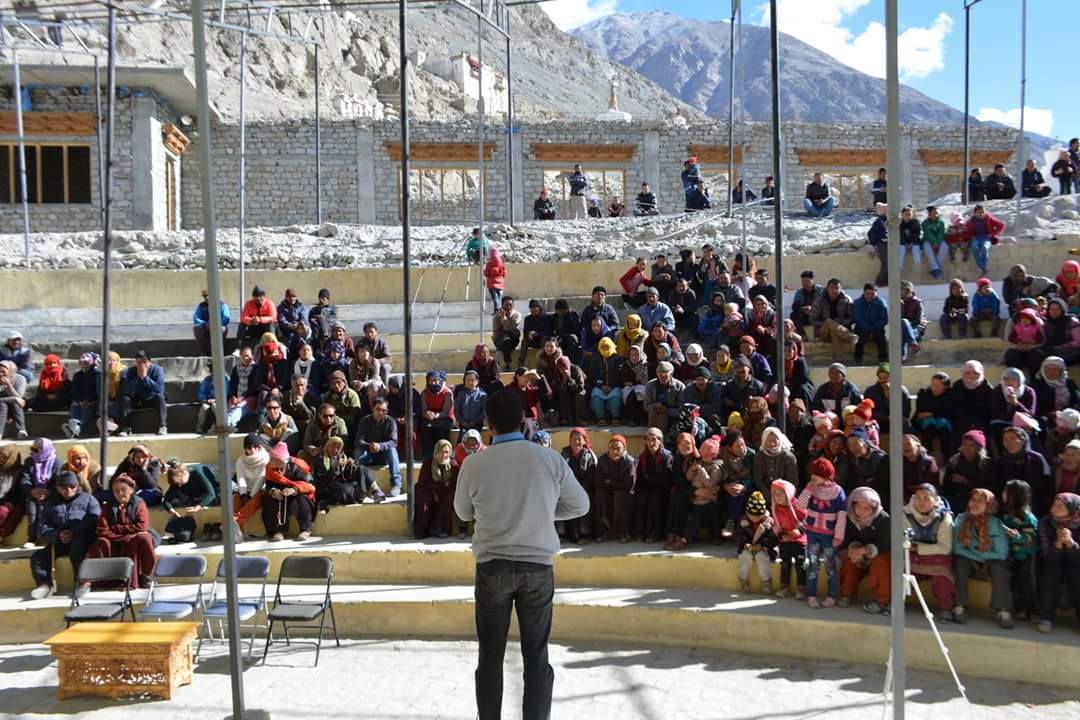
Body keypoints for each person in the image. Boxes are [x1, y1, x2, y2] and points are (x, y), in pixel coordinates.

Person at [453, 389, 589, 720]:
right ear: (523, 421)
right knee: (536, 657)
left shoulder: (474, 463)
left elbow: (462, 512)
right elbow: (580, 504)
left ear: (488, 424)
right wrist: (540, 512)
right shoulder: (549, 458)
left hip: (492, 568)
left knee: (490, 658)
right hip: (537, 570)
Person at [28, 470, 100, 599]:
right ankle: (45, 585)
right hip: (60, 540)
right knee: (38, 556)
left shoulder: (89, 499)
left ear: (77, 486)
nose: (68, 490)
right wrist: (57, 535)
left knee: (78, 546)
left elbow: (94, 520)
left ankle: (82, 582)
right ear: (57, 488)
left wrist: (74, 532)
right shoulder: (50, 504)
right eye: (64, 488)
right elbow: (43, 527)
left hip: (83, 539)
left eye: (72, 487)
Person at [84, 473, 157, 589]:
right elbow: (102, 530)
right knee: (102, 542)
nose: (120, 493)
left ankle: (145, 575)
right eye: (116, 491)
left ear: (131, 490)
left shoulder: (139, 504)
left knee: (144, 537)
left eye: (123, 490)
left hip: (135, 539)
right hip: (116, 540)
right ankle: (100, 580)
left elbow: (142, 526)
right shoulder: (108, 506)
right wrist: (126, 537)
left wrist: (116, 528)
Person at [952, 488, 1012, 628]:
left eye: (980, 501)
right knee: (960, 563)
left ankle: (1002, 609)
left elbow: (1002, 553)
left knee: (1000, 567)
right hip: (970, 560)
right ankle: (960, 605)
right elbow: (957, 548)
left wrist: (974, 551)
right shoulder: (961, 519)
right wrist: (978, 554)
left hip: (990, 561)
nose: (975, 504)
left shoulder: (996, 523)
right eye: (973, 500)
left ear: (989, 505)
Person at [903, 484, 958, 621]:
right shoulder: (905, 514)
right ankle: (895, 603)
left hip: (936, 558)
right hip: (912, 555)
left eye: (926, 498)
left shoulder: (944, 517)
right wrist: (912, 548)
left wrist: (917, 548)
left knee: (942, 573)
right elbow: (902, 540)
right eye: (917, 498)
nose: (921, 502)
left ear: (935, 500)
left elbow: (945, 547)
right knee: (898, 567)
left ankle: (946, 608)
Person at [797, 458, 846, 608]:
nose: (813, 477)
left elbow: (842, 515)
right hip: (812, 533)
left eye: (816, 474)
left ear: (826, 476)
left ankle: (832, 595)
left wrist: (838, 535)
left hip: (829, 536)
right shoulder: (811, 488)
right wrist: (807, 490)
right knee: (813, 564)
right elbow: (800, 506)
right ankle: (811, 595)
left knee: (830, 566)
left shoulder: (837, 492)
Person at [839, 487, 891, 614]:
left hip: (879, 554)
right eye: (859, 507)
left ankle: (882, 601)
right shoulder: (849, 518)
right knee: (849, 561)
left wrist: (866, 550)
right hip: (859, 553)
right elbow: (846, 539)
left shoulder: (884, 519)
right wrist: (854, 550)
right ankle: (847, 594)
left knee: (881, 563)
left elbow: (885, 544)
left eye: (867, 508)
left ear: (874, 508)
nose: (862, 512)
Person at [1036, 492, 1080, 633]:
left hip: (1077, 563)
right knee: (1050, 575)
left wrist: (1072, 544)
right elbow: (1046, 555)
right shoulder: (1045, 522)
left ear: (1074, 509)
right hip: (1053, 562)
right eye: (1055, 504)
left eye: (1061, 505)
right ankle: (1046, 617)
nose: (1056, 508)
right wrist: (1058, 544)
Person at [261, 442, 316, 541]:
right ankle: (278, 530)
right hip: (282, 494)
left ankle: (305, 529)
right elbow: (269, 484)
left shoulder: (299, 466)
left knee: (300, 499)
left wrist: (294, 490)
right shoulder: (269, 468)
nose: (271, 461)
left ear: (282, 460)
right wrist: (273, 491)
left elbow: (309, 485)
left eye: (274, 459)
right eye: (271, 458)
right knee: (269, 499)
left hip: (298, 492)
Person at [161, 461, 218, 542]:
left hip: (206, 491)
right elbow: (166, 500)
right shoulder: (177, 481)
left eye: (180, 482)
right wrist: (172, 511)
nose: (179, 485)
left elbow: (211, 494)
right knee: (176, 500)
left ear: (184, 473)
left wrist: (197, 507)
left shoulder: (197, 473)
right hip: (192, 495)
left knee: (215, 498)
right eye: (177, 483)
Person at [595, 435, 637, 543]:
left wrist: (612, 482)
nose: (615, 451)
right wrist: (615, 484)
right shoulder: (602, 460)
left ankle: (623, 532)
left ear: (624, 449)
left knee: (620, 495)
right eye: (612, 448)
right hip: (607, 489)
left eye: (618, 448)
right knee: (600, 494)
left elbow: (629, 484)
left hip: (623, 491)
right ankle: (601, 531)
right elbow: (598, 481)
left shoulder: (629, 462)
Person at [634, 427, 673, 543]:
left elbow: (666, 478)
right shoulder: (643, 456)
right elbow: (640, 476)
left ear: (660, 441)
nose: (651, 443)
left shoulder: (667, 456)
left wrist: (649, 479)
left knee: (654, 499)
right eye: (648, 440)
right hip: (647, 487)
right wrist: (648, 480)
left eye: (654, 439)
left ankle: (655, 533)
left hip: (662, 488)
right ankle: (640, 532)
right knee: (641, 498)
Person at [116, 350, 167, 436]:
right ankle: (125, 428)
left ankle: (163, 426)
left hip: (151, 399)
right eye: (139, 362)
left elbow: (159, 389)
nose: (141, 365)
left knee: (160, 397)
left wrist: (145, 378)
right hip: (136, 399)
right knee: (125, 399)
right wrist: (137, 379)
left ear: (150, 362)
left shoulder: (157, 370)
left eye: (144, 362)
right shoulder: (129, 371)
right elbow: (126, 390)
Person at [735, 491, 776, 594]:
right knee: (745, 556)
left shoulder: (768, 523)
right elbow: (738, 536)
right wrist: (744, 543)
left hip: (765, 549)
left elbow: (774, 539)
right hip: (747, 548)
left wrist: (762, 545)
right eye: (751, 515)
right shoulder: (743, 521)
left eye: (757, 516)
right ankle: (744, 580)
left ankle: (766, 582)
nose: (754, 518)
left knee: (761, 557)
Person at [810, 278, 858, 356]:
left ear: (840, 289)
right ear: (827, 288)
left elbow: (852, 317)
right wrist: (828, 324)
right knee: (829, 321)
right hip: (823, 332)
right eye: (832, 288)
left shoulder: (846, 299)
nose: (834, 290)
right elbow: (813, 320)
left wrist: (838, 324)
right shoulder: (819, 301)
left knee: (834, 332)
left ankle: (838, 363)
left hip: (840, 331)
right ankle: (849, 335)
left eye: (837, 288)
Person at [419, 370, 454, 459]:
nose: (433, 383)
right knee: (425, 428)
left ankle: (444, 455)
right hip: (429, 417)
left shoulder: (447, 393)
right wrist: (427, 414)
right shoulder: (424, 393)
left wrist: (436, 415)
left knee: (442, 429)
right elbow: (423, 410)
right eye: (431, 380)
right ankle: (428, 456)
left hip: (444, 417)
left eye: (435, 380)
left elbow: (446, 412)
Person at [64, 352, 100, 439]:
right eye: (82, 363)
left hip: (93, 400)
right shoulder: (78, 375)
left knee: (90, 407)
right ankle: (75, 427)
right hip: (80, 400)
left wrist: (88, 400)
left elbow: (98, 391)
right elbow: (75, 390)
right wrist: (79, 400)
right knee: (75, 406)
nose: (83, 365)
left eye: (86, 363)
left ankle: (75, 428)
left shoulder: (98, 374)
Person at [852, 283, 887, 364]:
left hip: (876, 328)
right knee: (861, 333)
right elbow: (858, 318)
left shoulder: (881, 303)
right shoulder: (857, 303)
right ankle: (858, 359)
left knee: (880, 334)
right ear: (864, 292)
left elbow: (884, 319)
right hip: (862, 328)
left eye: (872, 294)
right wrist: (867, 328)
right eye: (868, 293)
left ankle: (883, 358)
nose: (870, 296)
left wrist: (875, 327)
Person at [192, 289, 231, 358]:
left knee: (223, 329)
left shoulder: (222, 305)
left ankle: (217, 351)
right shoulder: (201, 306)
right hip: (206, 327)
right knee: (197, 329)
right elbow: (196, 318)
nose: (207, 297)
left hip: (218, 326)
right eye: (205, 296)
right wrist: (205, 324)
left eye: (208, 295)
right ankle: (207, 352)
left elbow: (226, 318)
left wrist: (216, 324)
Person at [238, 286, 276, 350]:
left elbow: (273, 317)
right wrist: (251, 320)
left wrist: (260, 319)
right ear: (253, 297)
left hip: (265, 328)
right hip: (253, 327)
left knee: (271, 324)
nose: (258, 298)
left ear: (264, 296)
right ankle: (238, 348)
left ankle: (272, 348)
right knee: (242, 325)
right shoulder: (248, 304)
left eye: (260, 296)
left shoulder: (269, 304)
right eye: (256, 296)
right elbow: (243, 318)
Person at [492, 296, 522, 371]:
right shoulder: (496, 316)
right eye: (506, 305)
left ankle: (497, 360)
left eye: (510, 305)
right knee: (504, 339)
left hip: (513, 340)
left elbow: (511, 328)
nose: (508, 307)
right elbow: (495, 331)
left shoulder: (517, 315)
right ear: (502, 305)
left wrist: (504, 318)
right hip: (499, 339)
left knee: (507, 339)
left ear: (513, 306)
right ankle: (507, 364)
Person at [0, 360, 28, 440]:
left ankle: (22, 431)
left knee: (16, 403)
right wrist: (14, 399)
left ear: (11, 371)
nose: (0, 374)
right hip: (2, 407)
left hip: (18, 407)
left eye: (3, 371)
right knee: (3, 404)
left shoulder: (20, 379)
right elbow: (16, 398)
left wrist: (9, 386)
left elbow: (19, 397)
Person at [519, 300, 551, 367]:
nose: (533, 311)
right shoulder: (528, 319)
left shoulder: (546, 317)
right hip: (533, 340)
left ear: (539, 308)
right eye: (531, 309)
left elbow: (549, 331)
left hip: (543, 340)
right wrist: (529, 335)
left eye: (535, 309)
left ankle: (543, 362)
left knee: (545, 339)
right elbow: (525, 332)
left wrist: (537, 334)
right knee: (524, 341)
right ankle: (521, 362)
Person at [867, 203, 889, 287]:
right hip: (882, 243)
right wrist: (875, 244)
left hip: (887, 243)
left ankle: (886, 281)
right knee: (886, 264)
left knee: (889, 264)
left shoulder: (886, 220)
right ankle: (878, 283)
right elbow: (871, 233)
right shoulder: (880, 221)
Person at [897, 205, 922, 272]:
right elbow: (900, 235)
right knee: (901, 250)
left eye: (909, 214)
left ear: (912, 215)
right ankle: (899, 268)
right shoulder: (900, 224)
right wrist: (905, 243)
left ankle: (917, 267)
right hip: (903, 243)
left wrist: (911, 243)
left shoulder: (915, 222)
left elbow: (917, 234)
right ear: (902, 215)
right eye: (906, 214)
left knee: (916, 249)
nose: (907, 216)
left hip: (914, 242)